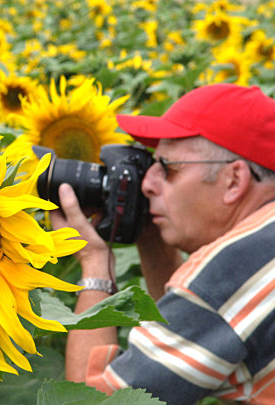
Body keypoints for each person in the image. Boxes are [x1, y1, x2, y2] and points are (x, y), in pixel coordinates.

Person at [50, 83, 275, 404]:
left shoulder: (234, 270)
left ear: (234, 181)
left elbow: (94, 400)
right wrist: (149, 235)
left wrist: (94, 263)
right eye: (150, 165)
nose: (148, 184)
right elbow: (184, 333)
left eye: (168, 169)